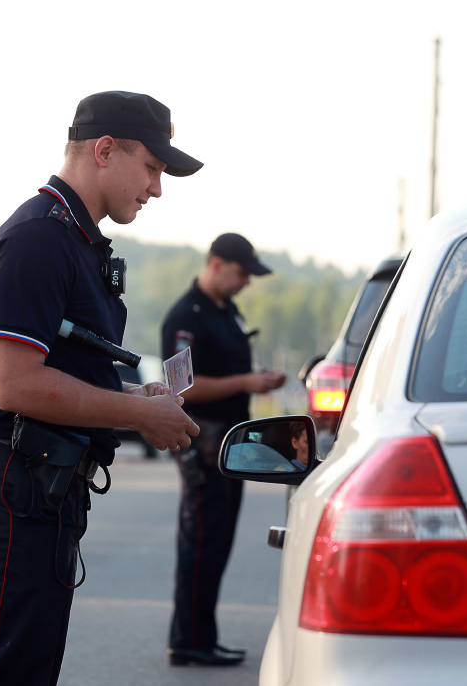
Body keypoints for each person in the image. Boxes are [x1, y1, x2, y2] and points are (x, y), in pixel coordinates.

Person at [0, 91, 203, 686]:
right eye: (153, 169)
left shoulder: (76, 238)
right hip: (15, 480)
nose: (157, 188)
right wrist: (134, 417)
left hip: (43, 486)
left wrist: (135, 400)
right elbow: (15, 384)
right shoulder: (41, 237)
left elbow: (67, 365)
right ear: (105, 150)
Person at [161, 233, 287, 666]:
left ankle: (202, 636)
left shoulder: (225, 311)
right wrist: (247, 383)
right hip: (203, 442)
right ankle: (188, 640)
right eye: (241, 273)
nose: (246, 283)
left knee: (218, 542)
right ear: (216, 264)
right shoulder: (186, 317)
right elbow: (183, 387)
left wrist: (256, 379)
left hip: (230, 444)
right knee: (200, 541)